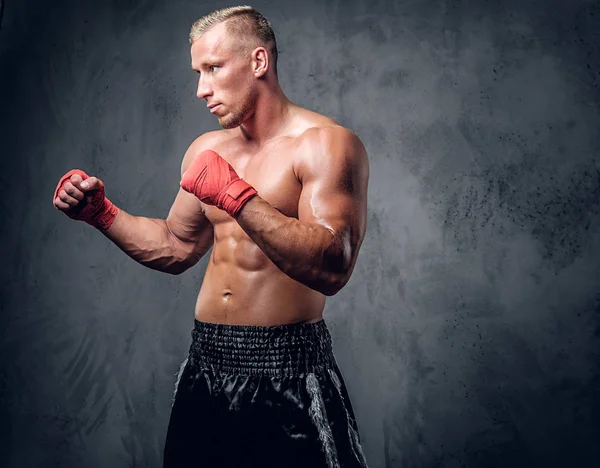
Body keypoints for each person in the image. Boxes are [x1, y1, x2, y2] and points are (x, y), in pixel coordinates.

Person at [52, 5, 370, 468]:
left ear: (258, 62)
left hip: (288, 370)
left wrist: (238, 198)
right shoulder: (207, 150)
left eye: (214, 69)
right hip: (205, 365)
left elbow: (333, 264)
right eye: (198, 72)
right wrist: (101, 214)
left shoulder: (325, 144)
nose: (201, 89)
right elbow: (176, 246)